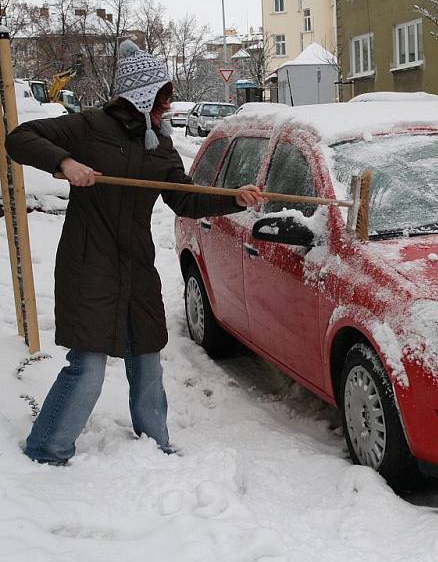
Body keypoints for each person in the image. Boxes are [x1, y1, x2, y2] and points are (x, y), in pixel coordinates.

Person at [6, 40, 265, 465]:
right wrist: (65, 164)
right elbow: (20, 138)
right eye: (162, 102)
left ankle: (155, 445)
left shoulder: (158, 146)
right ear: (142, 97)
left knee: (147, 358)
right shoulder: (87, 127)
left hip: (136, 264)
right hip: (89, 263)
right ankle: (47, 448)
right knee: (87, 367)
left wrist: (233, 198)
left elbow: (184, 199)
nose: (166, 111)